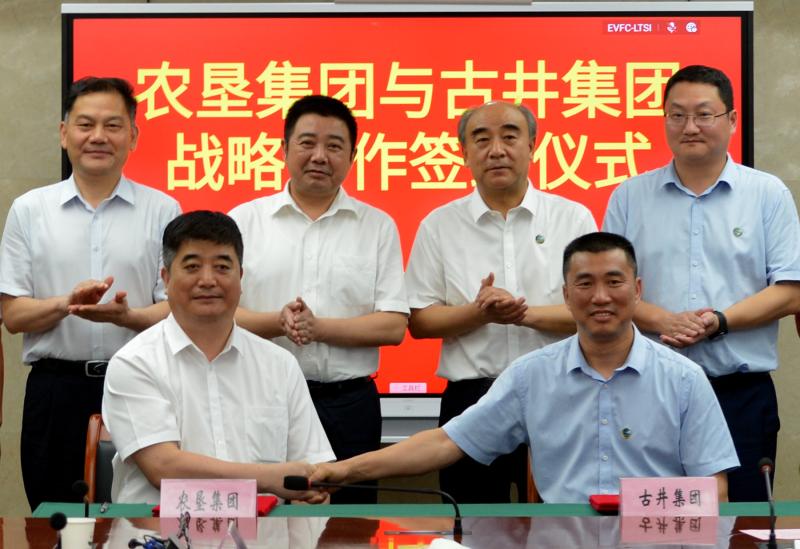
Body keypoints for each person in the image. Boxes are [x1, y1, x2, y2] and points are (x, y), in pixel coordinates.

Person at [310, 232, 739, 503]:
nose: (600, 297)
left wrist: (631, 510)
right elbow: (446, 443)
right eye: (585, 284)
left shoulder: (683, 378)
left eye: (614, 281)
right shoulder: (533, 375)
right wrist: (344, 470)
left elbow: (714, 490)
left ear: (638, 290)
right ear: (566, 295)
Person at [602, 65, 800, 501]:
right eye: (677, 115)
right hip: (649, 389)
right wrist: (665, 321)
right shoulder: (629, 196)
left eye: (704, 114)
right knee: (649, 518)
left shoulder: (768, 194)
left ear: (731, 120)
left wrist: (720, 321)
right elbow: (609, 291)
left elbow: (790, 291)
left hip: (739, 393)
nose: (689, 127)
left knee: (742, 519)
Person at [0, 77, 181, 510]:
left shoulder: (163, 210)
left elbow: (177, 310)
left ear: (133, 136)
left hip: (141, 384)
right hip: (55, 392)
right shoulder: (30, 210)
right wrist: (67, 304)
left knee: (141, 516)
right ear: (65, 134)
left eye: (113, 125)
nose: (98, 136)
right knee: (57, 517)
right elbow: (13, 316)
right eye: (85, 125)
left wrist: (129, 318)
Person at [404, 101, 596, 503]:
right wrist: (478, 313)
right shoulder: (439, 225)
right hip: (471, 400)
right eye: (481, 139)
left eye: (510, 137)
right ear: (464, 152)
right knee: (471, 523)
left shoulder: (572, 218)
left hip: (559, 393)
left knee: (561, 524)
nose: (496, 150)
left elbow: (594, 312)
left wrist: (522, 315)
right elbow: (420, 321)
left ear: (532, 146)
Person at [228, 95, 408, 503]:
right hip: (261, 399)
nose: (320, 156)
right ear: (284, 148)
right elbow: (219, 314)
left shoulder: (377, 226)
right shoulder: (244, 221)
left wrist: (318, 328)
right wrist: (278, 322)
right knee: (264, 517)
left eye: (334, 146)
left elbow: (393, 325)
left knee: (351, 522)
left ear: (353, 156)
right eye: (307, 143)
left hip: (349, 404)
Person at [102, 211, 335, 504]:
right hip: (156, 528)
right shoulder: (135, 362)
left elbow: (313, 471)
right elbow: (163, 467)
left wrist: (310, 498)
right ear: (166, 278)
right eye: (192, 266)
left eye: (222, 267)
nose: (208, 280)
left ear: (241, 277)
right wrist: (267, 478)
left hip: (265, 529)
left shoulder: (280, 364)